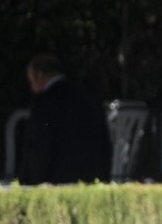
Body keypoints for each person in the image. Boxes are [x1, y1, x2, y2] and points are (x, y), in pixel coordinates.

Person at [16, 52, 112, 184]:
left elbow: (39, 150)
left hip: (57, 181)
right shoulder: (90, 98)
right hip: (91, 179)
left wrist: (28, 183)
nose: (32, 88)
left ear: (40, 76)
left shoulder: (43, 102)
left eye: (31, 81)